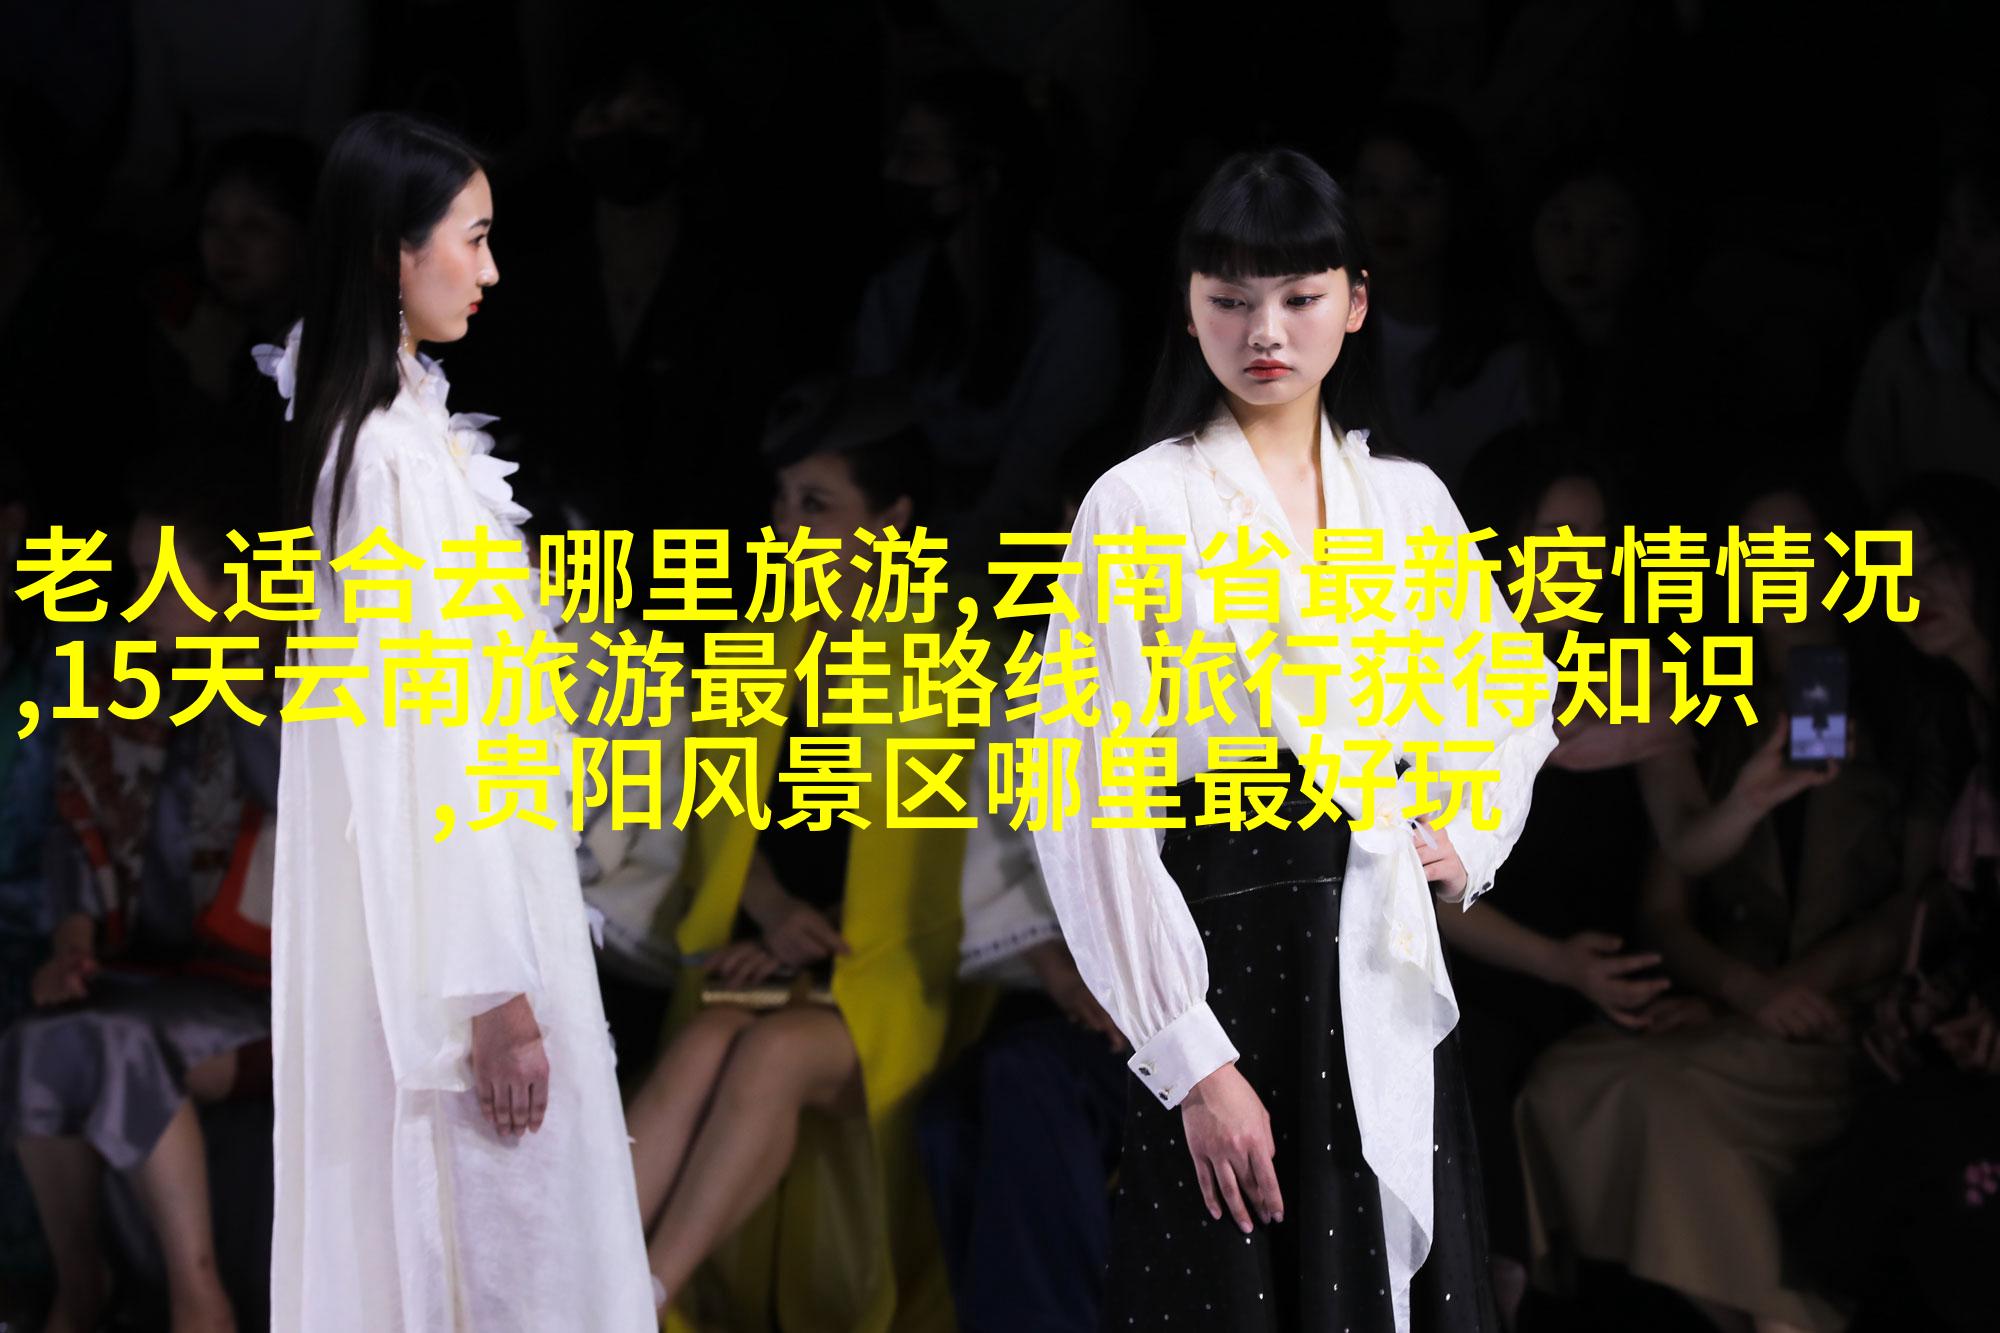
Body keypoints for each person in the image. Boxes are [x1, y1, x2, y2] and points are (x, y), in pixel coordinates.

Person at [1031, 147, 1560, 1333]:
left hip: (1377, 942)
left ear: (1354, 303)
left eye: (1299, 296)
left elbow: (1505, 693)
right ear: (1188, 309)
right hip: (1219, 947)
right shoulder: (1137, 504)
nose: (1263, 330)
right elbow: (1082, 794)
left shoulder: (1407, 501)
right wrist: (1189, 1057)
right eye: (1229, 299)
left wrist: (1465, 835)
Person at [263, 112, 654, 1331]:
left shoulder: (391, 432)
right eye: (471, 240)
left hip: (470, 916)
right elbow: (433, 740)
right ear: (395, 250)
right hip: (462, 951)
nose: (488, 271)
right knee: (502, 1267)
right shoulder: (387, 461)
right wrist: (496, 995)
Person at [1514, 481, 1929, 1333]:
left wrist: (1792, 990)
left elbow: (1922, 904)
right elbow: (1669, 895)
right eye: (1756, 554)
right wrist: (1744, 989)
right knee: (1568, 1088)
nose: (1779, 572)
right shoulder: (1713, 702)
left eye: (1798, 549)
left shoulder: (1902, 706)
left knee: (1664, 1102)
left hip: (1854, 1016)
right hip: (1746, 1007)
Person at [626, 377, 970, 1332]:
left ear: (893, 522)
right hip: (782, 959)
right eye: (781, 501)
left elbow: (947, 875)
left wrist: (817, 939)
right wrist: (772, 912)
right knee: (705, 1041)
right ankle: (572, 1281)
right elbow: (715, 812)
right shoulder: (760, 642)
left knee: (772, 1053)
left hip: (894, 977)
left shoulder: (949, 660)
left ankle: (635, 1298)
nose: (784, 528)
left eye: (815, 505)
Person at [2, 462, 278, 1333]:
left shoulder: (299, 684)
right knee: (36, 1041)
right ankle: (82, 1286)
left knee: (123, 1045)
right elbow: (76, 826)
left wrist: (235, 672)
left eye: (160, 579)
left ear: (231, 589)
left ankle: (200, 1297)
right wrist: (72, 943)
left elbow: (302, 811)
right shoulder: (123, 681)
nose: (140, 600)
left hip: (270, 995)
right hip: (157, 974)